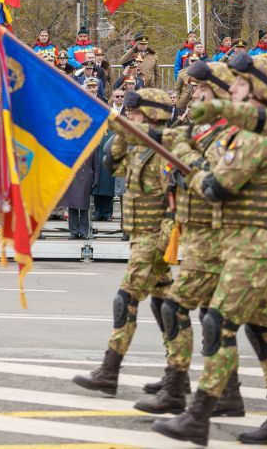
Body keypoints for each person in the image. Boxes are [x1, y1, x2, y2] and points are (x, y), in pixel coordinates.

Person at [153, 54, 267, 446]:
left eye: (239, 83)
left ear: (257, 91)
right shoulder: (247, 133)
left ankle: (198, 415)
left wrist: (186, 159)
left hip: (255, 245)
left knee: (219, 323)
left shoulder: (255, 137)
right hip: (251, 242)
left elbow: (216, 187)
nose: (231, 87)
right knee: (265, 331)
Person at [133, 61, 246, 417]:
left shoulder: (228, 130)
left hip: (214, 232)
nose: (195, 94)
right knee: (212, 315)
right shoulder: (204, 127)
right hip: (196, 229)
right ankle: (226, 392)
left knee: (178, 307)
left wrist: (180, 151)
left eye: (202, 89)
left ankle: (178, 386)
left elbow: (212, 176)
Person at [72, 88, 174, 396]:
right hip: (140, 234)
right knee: (165, 303)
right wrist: (122, 138)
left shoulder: (169, 145)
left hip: (156, 235)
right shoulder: (136, 144)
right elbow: (110, 163)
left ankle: (110, 369)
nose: (132, 118)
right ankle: (177, 374)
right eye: (130, 114)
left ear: (153, 115)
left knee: (125, 299)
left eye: (137, 113)